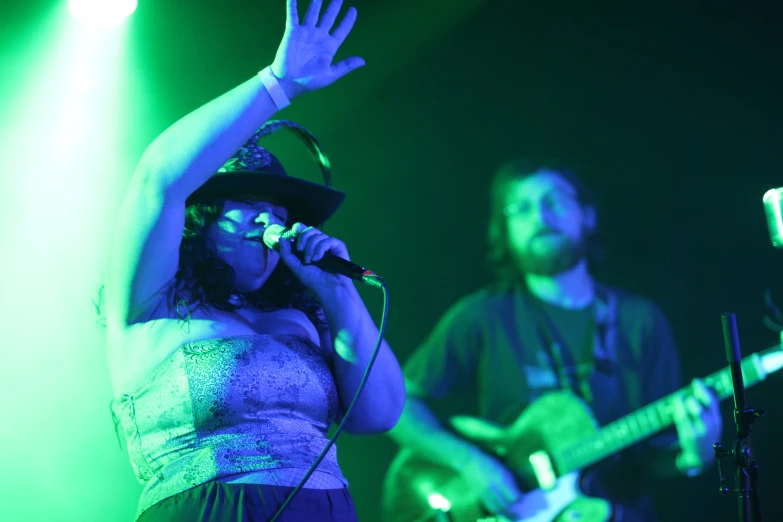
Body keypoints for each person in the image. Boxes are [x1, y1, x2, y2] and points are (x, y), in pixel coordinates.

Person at [103, 1, 405, 521]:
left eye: (278, 209)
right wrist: (277, 85)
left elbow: (379, 413)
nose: (270, 220)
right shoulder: (156, 301)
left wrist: (337, 292)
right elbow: (158, 178)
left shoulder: (302, 319)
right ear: (201, 220)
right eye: (249, 204)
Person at [385, 159, 723, 522]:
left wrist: (695, 454)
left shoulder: (640, 320)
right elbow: (397, 404)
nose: (540, 216)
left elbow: (659, 453)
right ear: (504, 229)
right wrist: (472, 463)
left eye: (555, 201)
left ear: (588, 215)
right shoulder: (481, 316)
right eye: (521, 207)